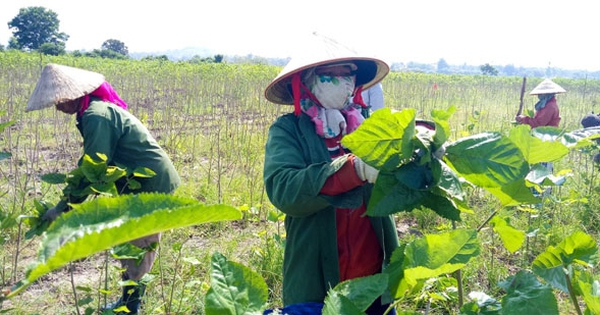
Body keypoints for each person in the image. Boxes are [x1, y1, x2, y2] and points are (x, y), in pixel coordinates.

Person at [26, 63, 181, 314]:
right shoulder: (93, 111)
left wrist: (62, 207)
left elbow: (94, 167)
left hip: (150, 184)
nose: (58, 106)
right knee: (126, 241)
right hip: (134, 183)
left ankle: (131, 307)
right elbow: (95, 165)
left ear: (76, 95)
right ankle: (128, 302)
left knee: (136, 244)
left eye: (61, 99)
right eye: (55, 101)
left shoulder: (96, 115)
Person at [263, 33, 399, 315]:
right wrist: (355, 169)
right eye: (329, 75)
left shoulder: (369, 126)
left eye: (347, 73)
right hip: (317, 277)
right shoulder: (289, 130)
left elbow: (399, 180)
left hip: (373, 277)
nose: (342, 81)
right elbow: (284, 189)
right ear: (308, 80)